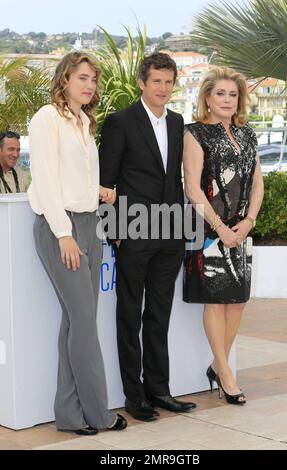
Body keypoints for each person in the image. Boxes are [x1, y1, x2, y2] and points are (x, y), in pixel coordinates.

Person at [27, 51, 127, 434]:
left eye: (93, 80)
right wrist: (63, 232)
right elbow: (47, 180)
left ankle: (68, 415)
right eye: (82, 77)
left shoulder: (84, 121)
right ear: (64, 78)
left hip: (89, 225)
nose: (89, 85)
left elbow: (74, 173)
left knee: (75, 323)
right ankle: (98, 413)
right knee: (84, 324)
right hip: (61, 230)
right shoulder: (46, 119)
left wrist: (97, 190)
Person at [99, 52, 196, 421]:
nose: (163, 88)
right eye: (156, 81)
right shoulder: (120, 122)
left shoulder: (176, 121)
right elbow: (106, 182)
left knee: (159, 314)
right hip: (134, 232)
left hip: (170, 233)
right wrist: (114, 233)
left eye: (169, 82)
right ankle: (134, 396)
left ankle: (159, 390)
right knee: (129, 316)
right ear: (142, 82)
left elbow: (175, 180)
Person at [183, 66, 264, 405]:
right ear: (207, 98)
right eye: (221, 94)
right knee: (216, 300)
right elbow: (192, 188)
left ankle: (218, 365)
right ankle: (226, 373)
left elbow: (258, 182)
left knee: (238, 301)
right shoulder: (195, 133)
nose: (228, 100)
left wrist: (249, 222)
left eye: (233, 94)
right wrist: (220, 228)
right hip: (208, 230)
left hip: (240, 229)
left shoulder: (248, 135)